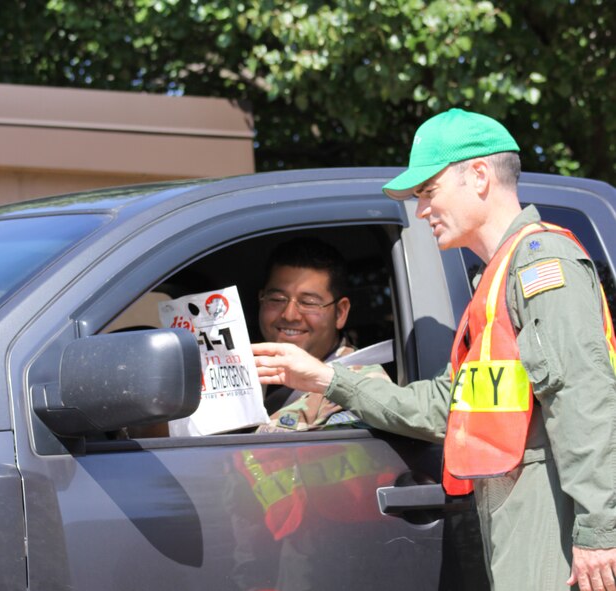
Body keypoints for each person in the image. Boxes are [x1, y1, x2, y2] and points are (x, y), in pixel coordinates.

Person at [252, 109, 616, 591]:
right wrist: (325, 379)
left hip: (553, 518)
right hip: (516, 511)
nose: (422, 210)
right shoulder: (494, 281)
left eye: (429, 191)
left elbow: (584, 397)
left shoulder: (541, 265)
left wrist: (599, 531)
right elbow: (445, 405)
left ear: (480, 176)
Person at [255, 236, 390, 433]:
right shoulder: (237, 369)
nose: (289, 315)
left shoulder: (361, 387)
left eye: (308, 302)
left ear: (341, 312)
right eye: (276, 299)